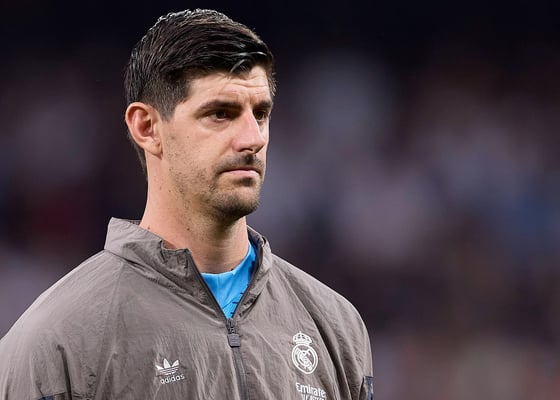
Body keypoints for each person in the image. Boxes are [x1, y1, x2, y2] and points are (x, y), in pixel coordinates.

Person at [0, 9, 374, 400]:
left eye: (260, 114)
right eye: (220, 114)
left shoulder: (335, 326)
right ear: (147, 127)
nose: (253, 138)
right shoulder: (58, 339)